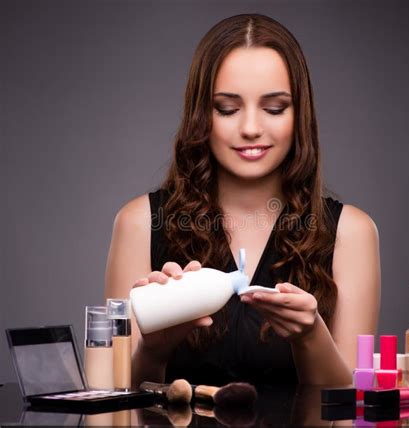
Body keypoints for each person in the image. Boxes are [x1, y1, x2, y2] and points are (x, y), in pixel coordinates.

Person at [105, 13, 380, 387]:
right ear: (201, 114)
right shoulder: (139, 223)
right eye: (227, 109)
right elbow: (111, 402)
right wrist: (153, 351)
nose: (251, 128)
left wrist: (311, 336)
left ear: (300, 115)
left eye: (275, 108)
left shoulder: (351, 233)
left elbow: (352, 406)